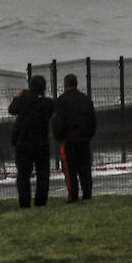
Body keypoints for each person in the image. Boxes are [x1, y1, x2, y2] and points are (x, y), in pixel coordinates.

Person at [8, 74, 55, 208]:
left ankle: (25, 202)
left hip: (24, 142)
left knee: (23, 174)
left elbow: (12, 110)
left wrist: (18, 96)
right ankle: (41, 201)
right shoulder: (48, 103)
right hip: (41, 142)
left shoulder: (23, 100)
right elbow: (50, 110)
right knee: (43, 174)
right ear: (44, 88)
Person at [51, 73, 97, 202]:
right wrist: (88, 135)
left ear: (65, 85)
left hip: (69, 141)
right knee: (85, 169)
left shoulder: (61, 101)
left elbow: (57, 122)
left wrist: (59, 137)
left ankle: (73, 195)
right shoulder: (86, 99)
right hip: (84, 140)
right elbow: (92, 120)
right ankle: (87, 194)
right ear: (76, 84)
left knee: (70, 170)